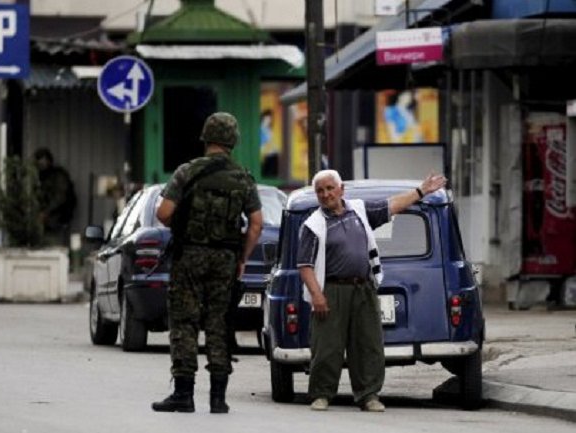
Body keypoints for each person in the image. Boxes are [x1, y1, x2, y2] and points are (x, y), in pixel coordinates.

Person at [297, 169, 447, 412]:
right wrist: (317, 295)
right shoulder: (313, 225)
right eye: (320, 191)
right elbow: (305, 265)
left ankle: (368, 395)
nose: (326, 194)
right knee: (327, 346)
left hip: (364, 287)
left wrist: (421, 191)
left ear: (341, 189)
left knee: (368, 343)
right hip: (332, 290)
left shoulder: (359, 210)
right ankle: (321, 394)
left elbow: (392, 206)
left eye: (329, 188)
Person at [153, 112, 263, 414]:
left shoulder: (186, 172)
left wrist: (185, 226)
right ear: (233, 141)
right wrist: (242, 257)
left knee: (184, 321)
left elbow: (163, 213)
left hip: (189, 255)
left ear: (206, 138)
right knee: (219, 322)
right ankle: (218, 398)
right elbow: (256, 223)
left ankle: (184, 394)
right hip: (226, 259)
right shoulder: (243, 177)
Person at [33, 148, 77, 247]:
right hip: (47, 223)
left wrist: (46, 212)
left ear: (49, 161)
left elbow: (60, 197)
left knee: (56, 249)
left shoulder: (58, 176)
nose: (41, 165)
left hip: (57, 221)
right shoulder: (40, 177)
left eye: (43, 162)